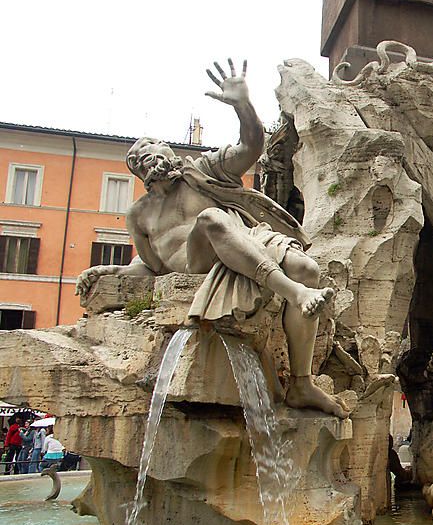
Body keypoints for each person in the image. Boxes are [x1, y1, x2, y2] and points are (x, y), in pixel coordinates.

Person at [74, 59, 347, 419]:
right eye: (139, 158)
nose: (149, 155)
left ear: (169, 151)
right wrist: (109, 271)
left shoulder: (202, 171)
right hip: (197, 265)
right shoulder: (140, 215)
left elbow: (250, 147)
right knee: (210, 218)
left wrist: (243, 107)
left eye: (154, 146)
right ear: (139, 173)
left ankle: (301, 383)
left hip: (246, 241)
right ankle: (294, 293)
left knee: (307, 269)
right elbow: (152, 267)